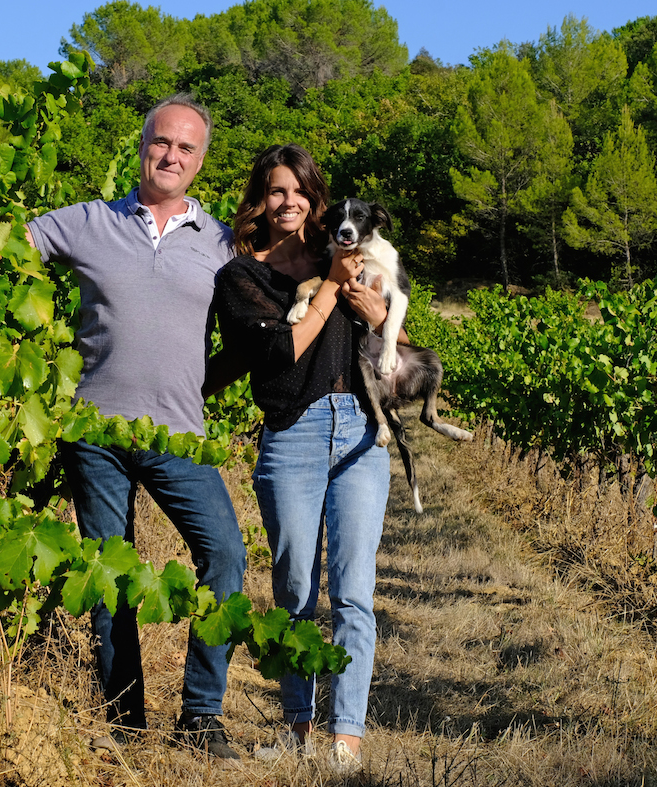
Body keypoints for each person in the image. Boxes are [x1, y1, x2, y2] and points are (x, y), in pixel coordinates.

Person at [25, 94, 246, 761]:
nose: (171, 155)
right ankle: (125, 726)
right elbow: (2, 254)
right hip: (92, 432)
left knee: (227, 556)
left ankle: (200, 716)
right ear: (141, 145)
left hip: (178, 433)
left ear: (201, 161)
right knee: (107, 576)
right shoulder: (87, 222)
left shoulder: (221, 241)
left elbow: (254, 326)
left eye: (186, 148)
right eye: (161, 142)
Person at [212, 143, 392, 774]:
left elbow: (388, 321)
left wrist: (376, 312)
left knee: (354, 591)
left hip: (361, 430)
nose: (289, 203)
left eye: (300, 192)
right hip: (292, 430)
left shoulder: (337, 254)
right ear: (259, 199)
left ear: (315, 198)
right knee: (294, 589)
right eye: (275, 191)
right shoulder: (241, 276)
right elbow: (277, 356)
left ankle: (346, 739)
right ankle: (297, 728)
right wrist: (328, 295)